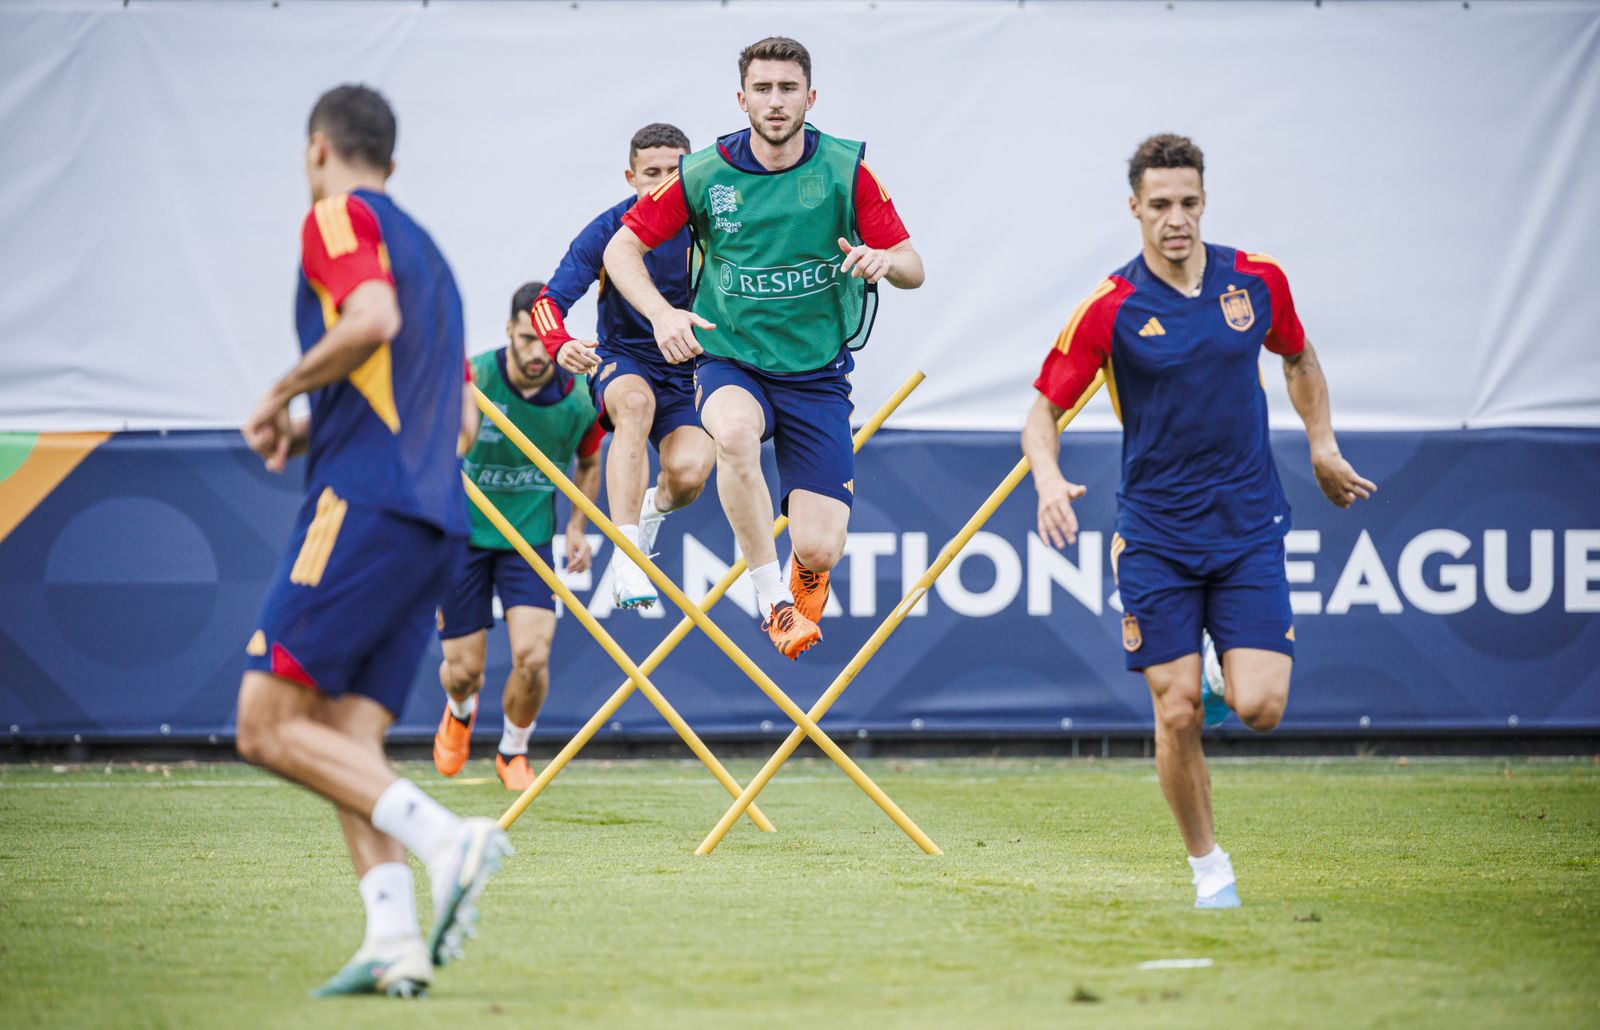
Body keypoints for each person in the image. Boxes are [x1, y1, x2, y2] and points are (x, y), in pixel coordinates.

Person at [1022, 134, 1376, 909]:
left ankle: (1221, 674)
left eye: (1187, 203)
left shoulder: (1256, 281)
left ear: (1204, 201)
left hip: (1248, 527)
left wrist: (1322, 443)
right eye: (1159, 206)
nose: (1174, 219)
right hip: (1154, 535)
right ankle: (1208, 867)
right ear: (1134, 210)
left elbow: (1300, 356)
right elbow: (1042, 414)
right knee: (1174, 708)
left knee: (1260, 709)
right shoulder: (1110, 308)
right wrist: (1048, 479)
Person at [236, 84, 510, 998]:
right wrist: (316, 423)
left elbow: (370, 324)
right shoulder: (429, 252)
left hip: (364, 509)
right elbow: (454, 419)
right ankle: (393, 937)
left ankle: (448, 838)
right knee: (345, 737)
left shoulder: (336, 215)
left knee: (266, 725)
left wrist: (278, 396)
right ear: (393, 158)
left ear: (320, 147)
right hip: (436, 519)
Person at [602, 37, 924, 658]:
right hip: (731, 357)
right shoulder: (702, 173)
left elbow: (914, 265)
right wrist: (663, 313)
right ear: (742, 98)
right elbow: (621, 250)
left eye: (788, 89)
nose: (776, 102)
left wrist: (885, 258)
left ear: (810, 96)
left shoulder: (845, 169)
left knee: (822, 547)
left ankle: (803, 575)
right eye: (764, 89)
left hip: (816, 374)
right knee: (734, 433)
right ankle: (770, 596)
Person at [531, 124, 712, 611]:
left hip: (692, 369)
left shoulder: (712, 228)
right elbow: (548, 302)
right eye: (650, 173)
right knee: (634, 404)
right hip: (625, 359)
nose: (661, 183)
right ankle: (628, 556)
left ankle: (650, 507)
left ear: (691, 174)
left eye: (674, 172)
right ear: (631, 177)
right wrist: (559, 344)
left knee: (691, 474)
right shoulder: (609, 230)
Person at [434, 281, 604, 791]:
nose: (536, 353)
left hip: (526, 539)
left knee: (533, 657)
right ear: (508, 330)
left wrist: (576, 526)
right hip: (463, 536)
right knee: (464, 671)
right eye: (526, 338)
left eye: (544, 341)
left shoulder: (579, 397)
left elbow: (590, 461)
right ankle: (459, 712)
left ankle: (513, 749)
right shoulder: (474, 378)